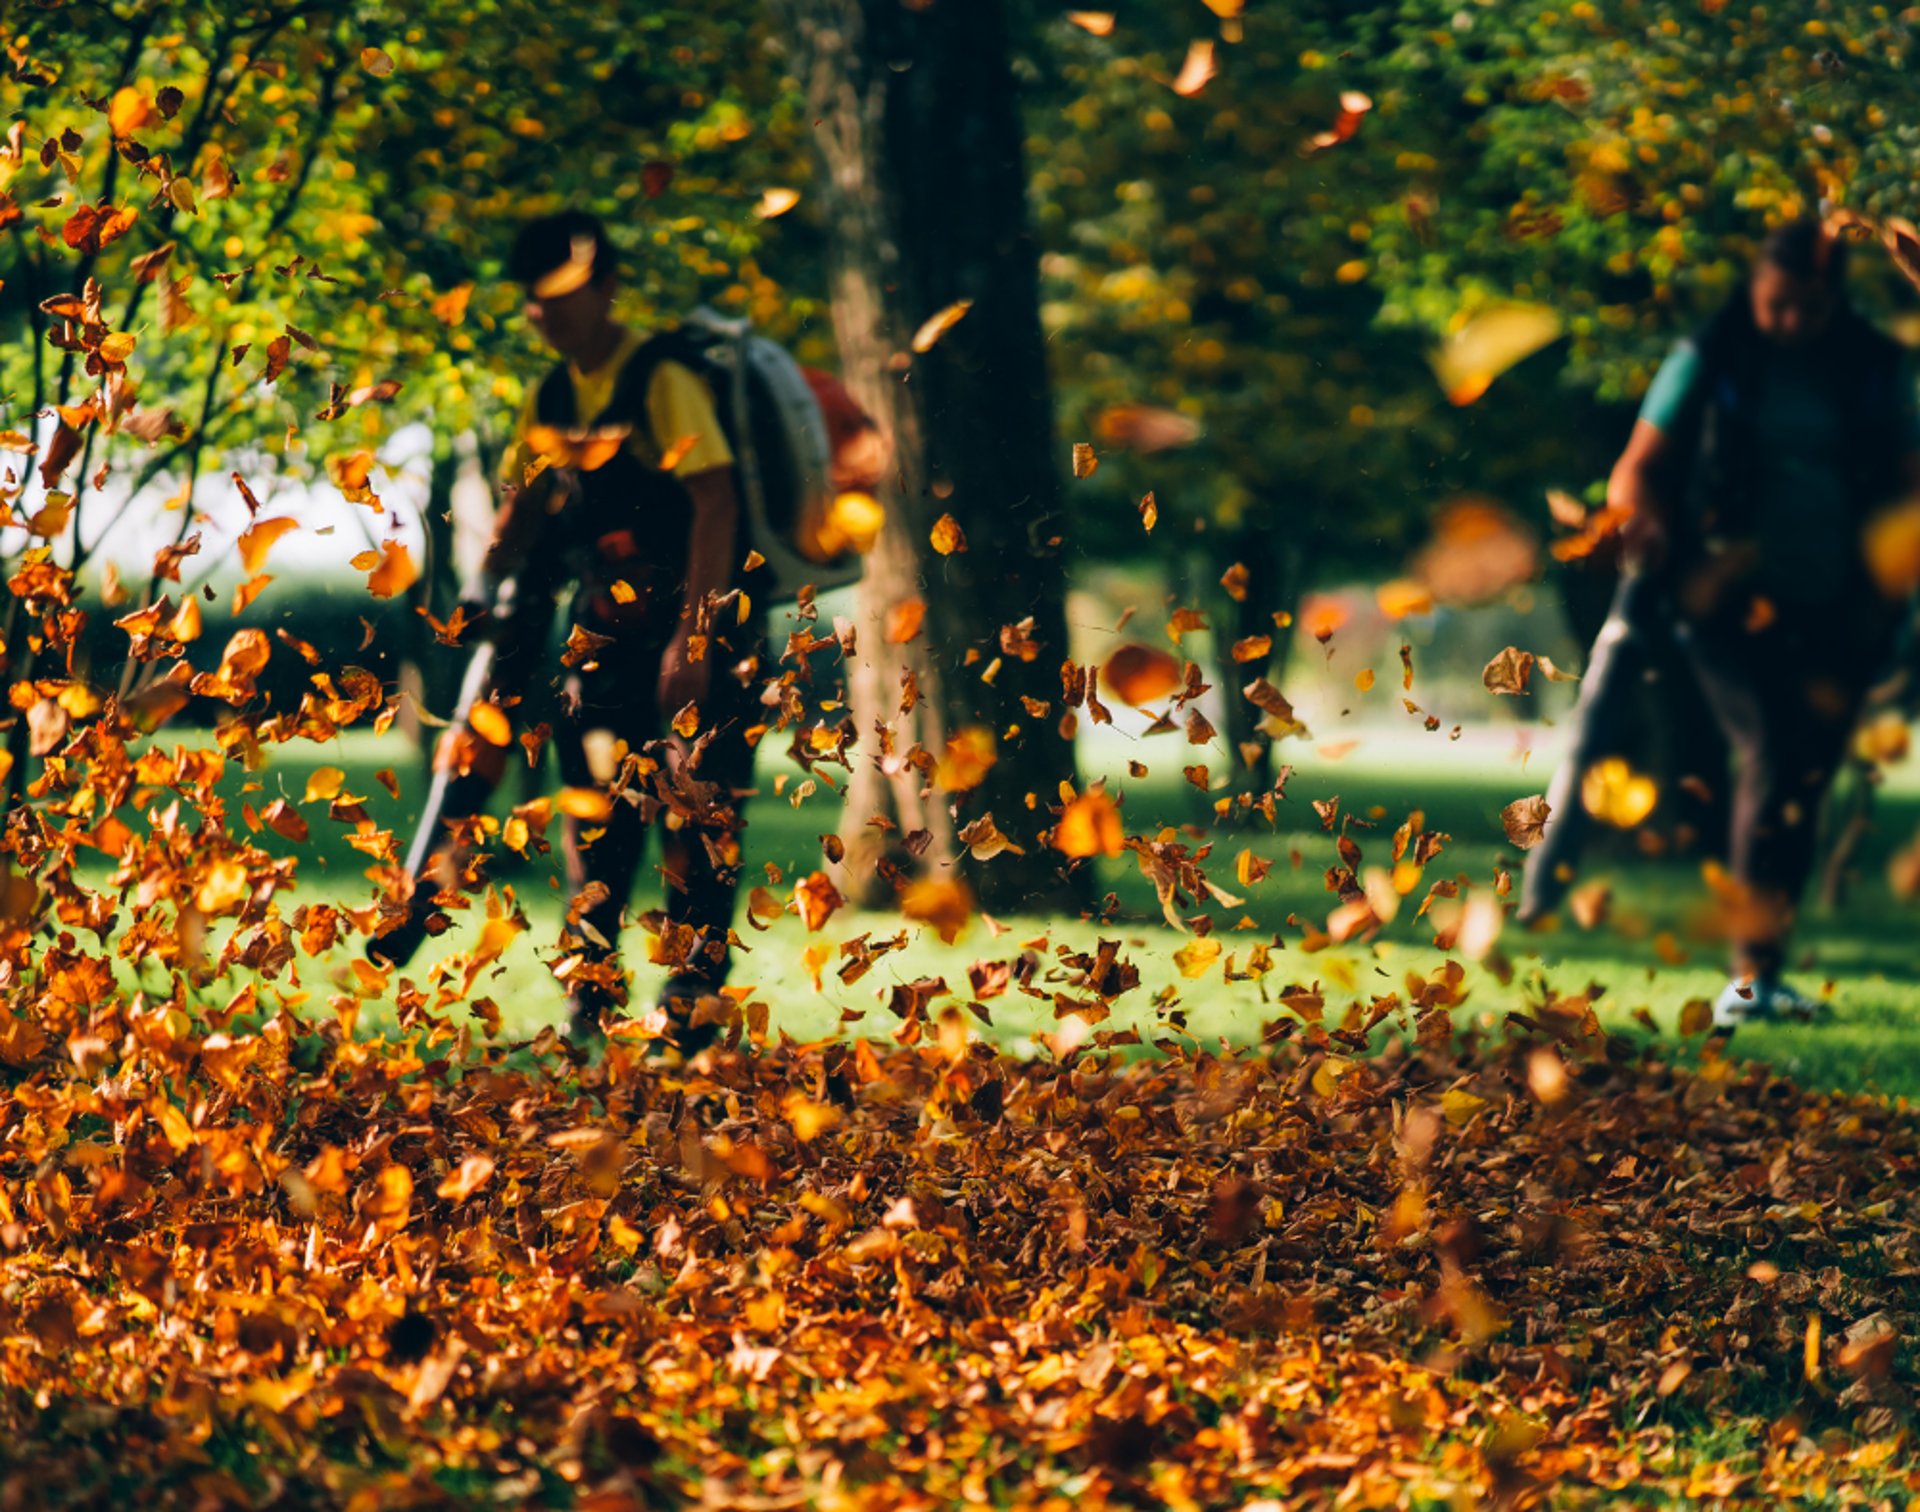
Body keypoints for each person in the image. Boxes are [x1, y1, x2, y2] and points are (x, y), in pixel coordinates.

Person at [373, 210, 765, 1050]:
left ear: (606, 287)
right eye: (534, 298)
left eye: (562, 293)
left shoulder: (661, 379)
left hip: (700, 635)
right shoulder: (552, 395)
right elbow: (524, 507)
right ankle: (591, 995)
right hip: (607, 638)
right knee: (597, 819)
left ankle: (693, 1003)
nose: (545, 312)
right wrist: (482, 588)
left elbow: (717, 504)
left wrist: (693, 644)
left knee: (695, 816)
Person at [1521, 218, 1920, 1027]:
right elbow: (1638, 466)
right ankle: (1746, 980)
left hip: (1843, 600)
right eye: (1775, 305)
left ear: (1832, 300)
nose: (1788, 324)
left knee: (1803, 774)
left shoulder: (1872, 363)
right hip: (1722, 593)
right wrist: (1638, 521)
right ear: (1754, 291)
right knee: (1776, 749)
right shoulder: (1713, 352)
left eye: (1806, 309)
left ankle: (1762, 973)